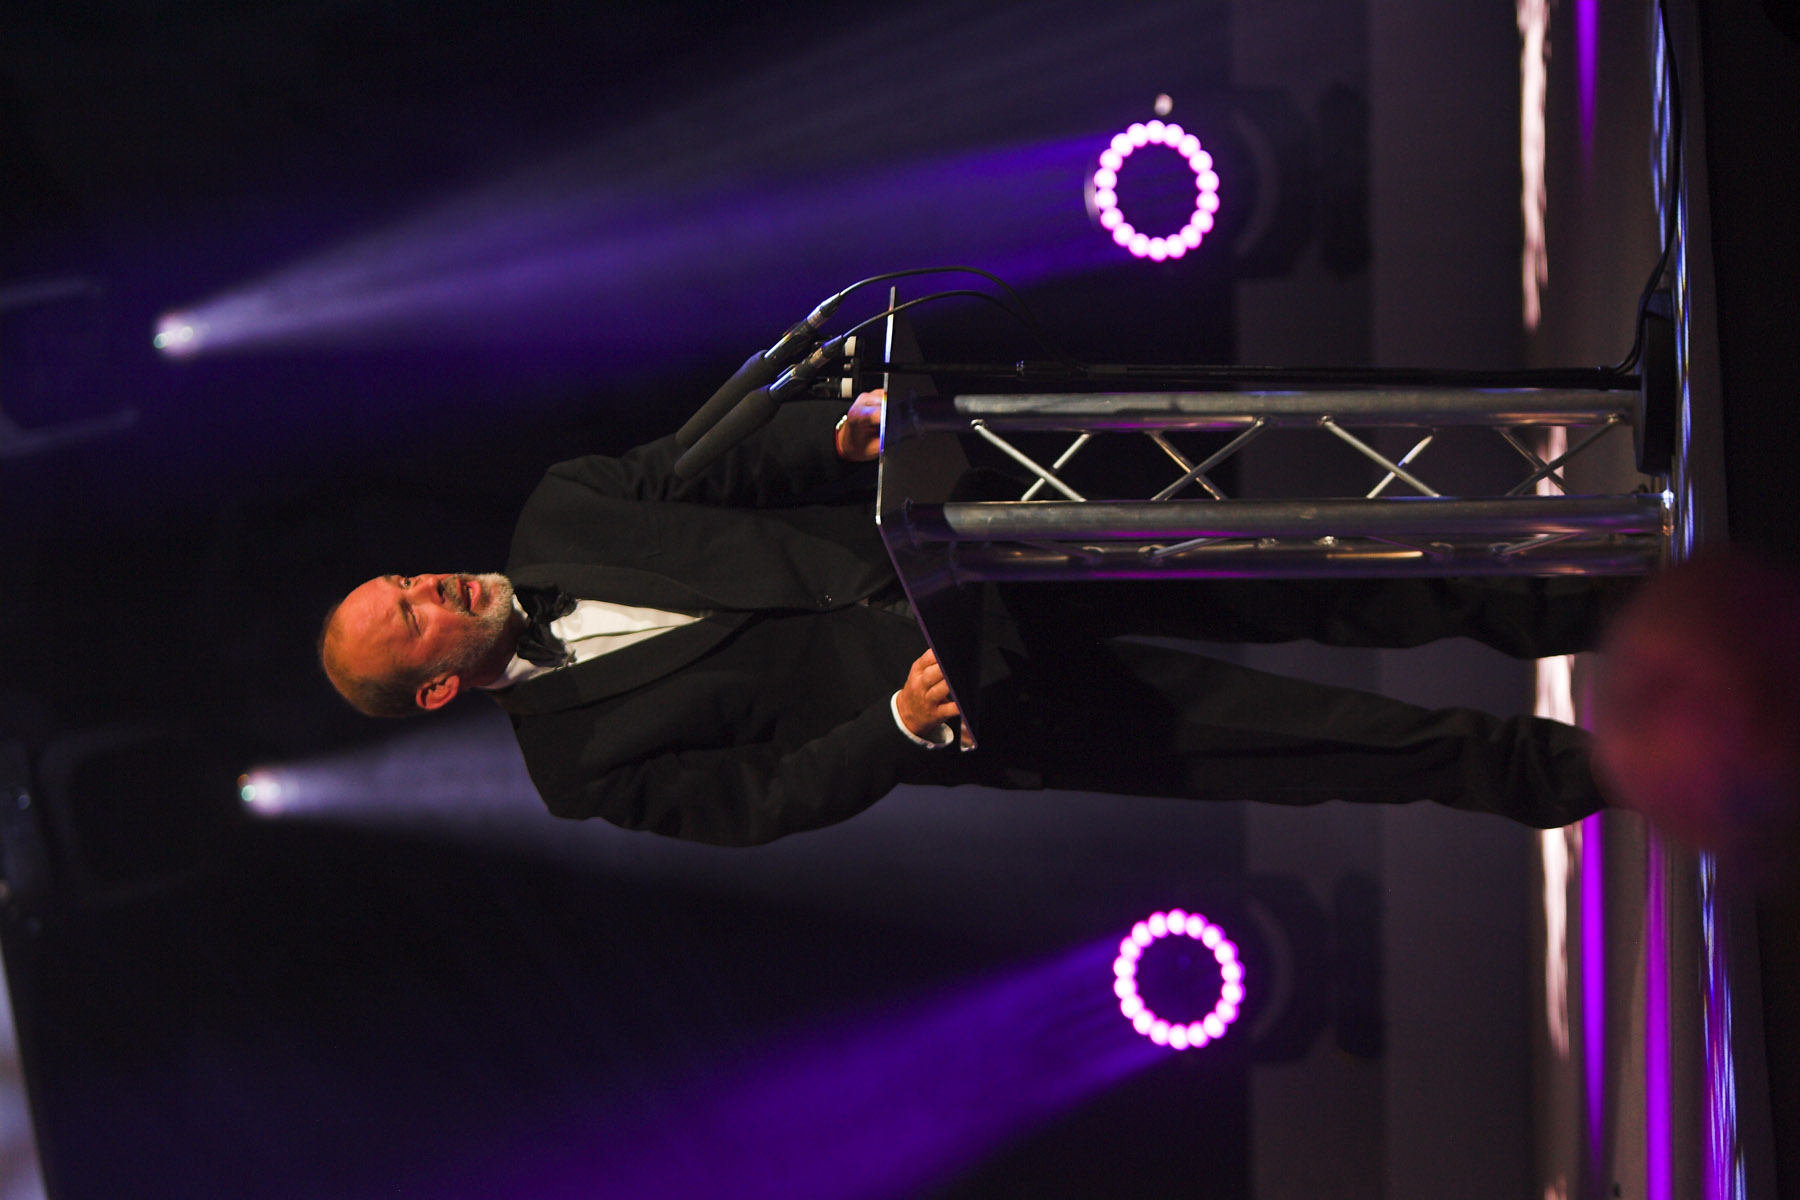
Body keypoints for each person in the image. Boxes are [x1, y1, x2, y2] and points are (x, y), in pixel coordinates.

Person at [321, 392, 1610, 846]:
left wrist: (833, 436)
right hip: (975, 701)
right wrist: (895, 725)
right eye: (411, 619)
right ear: (435, 688)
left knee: (1306, 574)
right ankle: (1589, 771)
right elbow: (764, 798)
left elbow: (714, 463)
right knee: (1311, 738)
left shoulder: (561, 510)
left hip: (981, 553)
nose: (431, 589)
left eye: (408, 581)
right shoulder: (579, 770)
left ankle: (1604, 602)